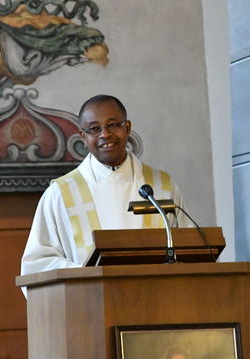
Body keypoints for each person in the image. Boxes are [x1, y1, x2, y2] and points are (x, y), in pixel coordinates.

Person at [20, 94, 183, 275]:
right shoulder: (60, 193)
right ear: (83, 136)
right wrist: (88, 274)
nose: (105, 134)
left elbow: (189, 249)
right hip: (89, 293)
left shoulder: (162, 187)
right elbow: (37, 264)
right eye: (94, 129)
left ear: (127, 128)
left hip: (156, 291)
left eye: (112, 125)